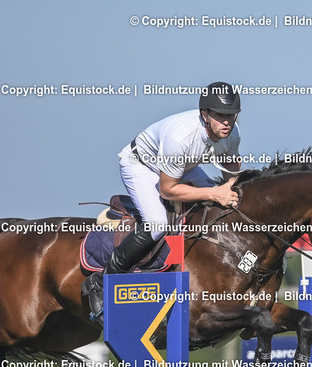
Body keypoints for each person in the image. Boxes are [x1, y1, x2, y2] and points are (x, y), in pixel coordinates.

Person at [82, 81, 242, 326]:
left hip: (181, 166)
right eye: (220, 115)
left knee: (218, 204)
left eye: (231, 115)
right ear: (205, 115)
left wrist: (230, 190)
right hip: (141, 165)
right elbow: (168, 190)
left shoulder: (232, 132)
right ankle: (103, 280)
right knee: (157, 224)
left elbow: (231, 166)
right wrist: (214, 193)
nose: (227, 122)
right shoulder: (180, 137)